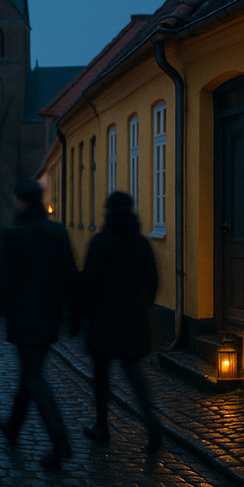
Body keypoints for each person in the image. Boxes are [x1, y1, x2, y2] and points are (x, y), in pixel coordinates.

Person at [0, 179, 78, 470]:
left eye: (16, 199)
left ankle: (60, 440)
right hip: (49, 317)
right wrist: (74, 314)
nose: (14, 204)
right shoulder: (57, 232)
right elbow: (70, 275)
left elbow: (1, 280)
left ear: (23, 202)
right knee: (30, 373)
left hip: (23, 318)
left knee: (33, 376)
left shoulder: (14, 235)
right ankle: (13, 427)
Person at [74, 191, 164, 457]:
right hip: (135, 320)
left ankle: (102, 426)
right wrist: (143, 308)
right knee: (134, 372)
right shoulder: (142, 243)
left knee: (101, 375)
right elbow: (153, 281)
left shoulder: (101, 242)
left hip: (104, 321)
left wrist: (81, 317)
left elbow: (88, 284)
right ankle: (151, 423)